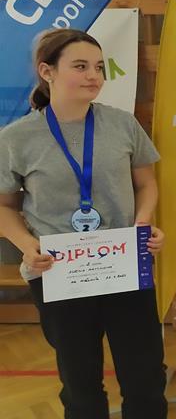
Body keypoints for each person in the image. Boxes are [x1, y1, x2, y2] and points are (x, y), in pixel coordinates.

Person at [0, 29, 166, 418]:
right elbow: (4, 206)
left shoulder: (123, 124)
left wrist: (143, 223)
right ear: (48, 72)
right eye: (80, 66)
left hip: (124, 267)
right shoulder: (16, 138)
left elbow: (147, 184)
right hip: (57, 273)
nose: (93, 75)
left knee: (144, 377)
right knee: (80, 383)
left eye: (98, 67)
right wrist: (26, 245)